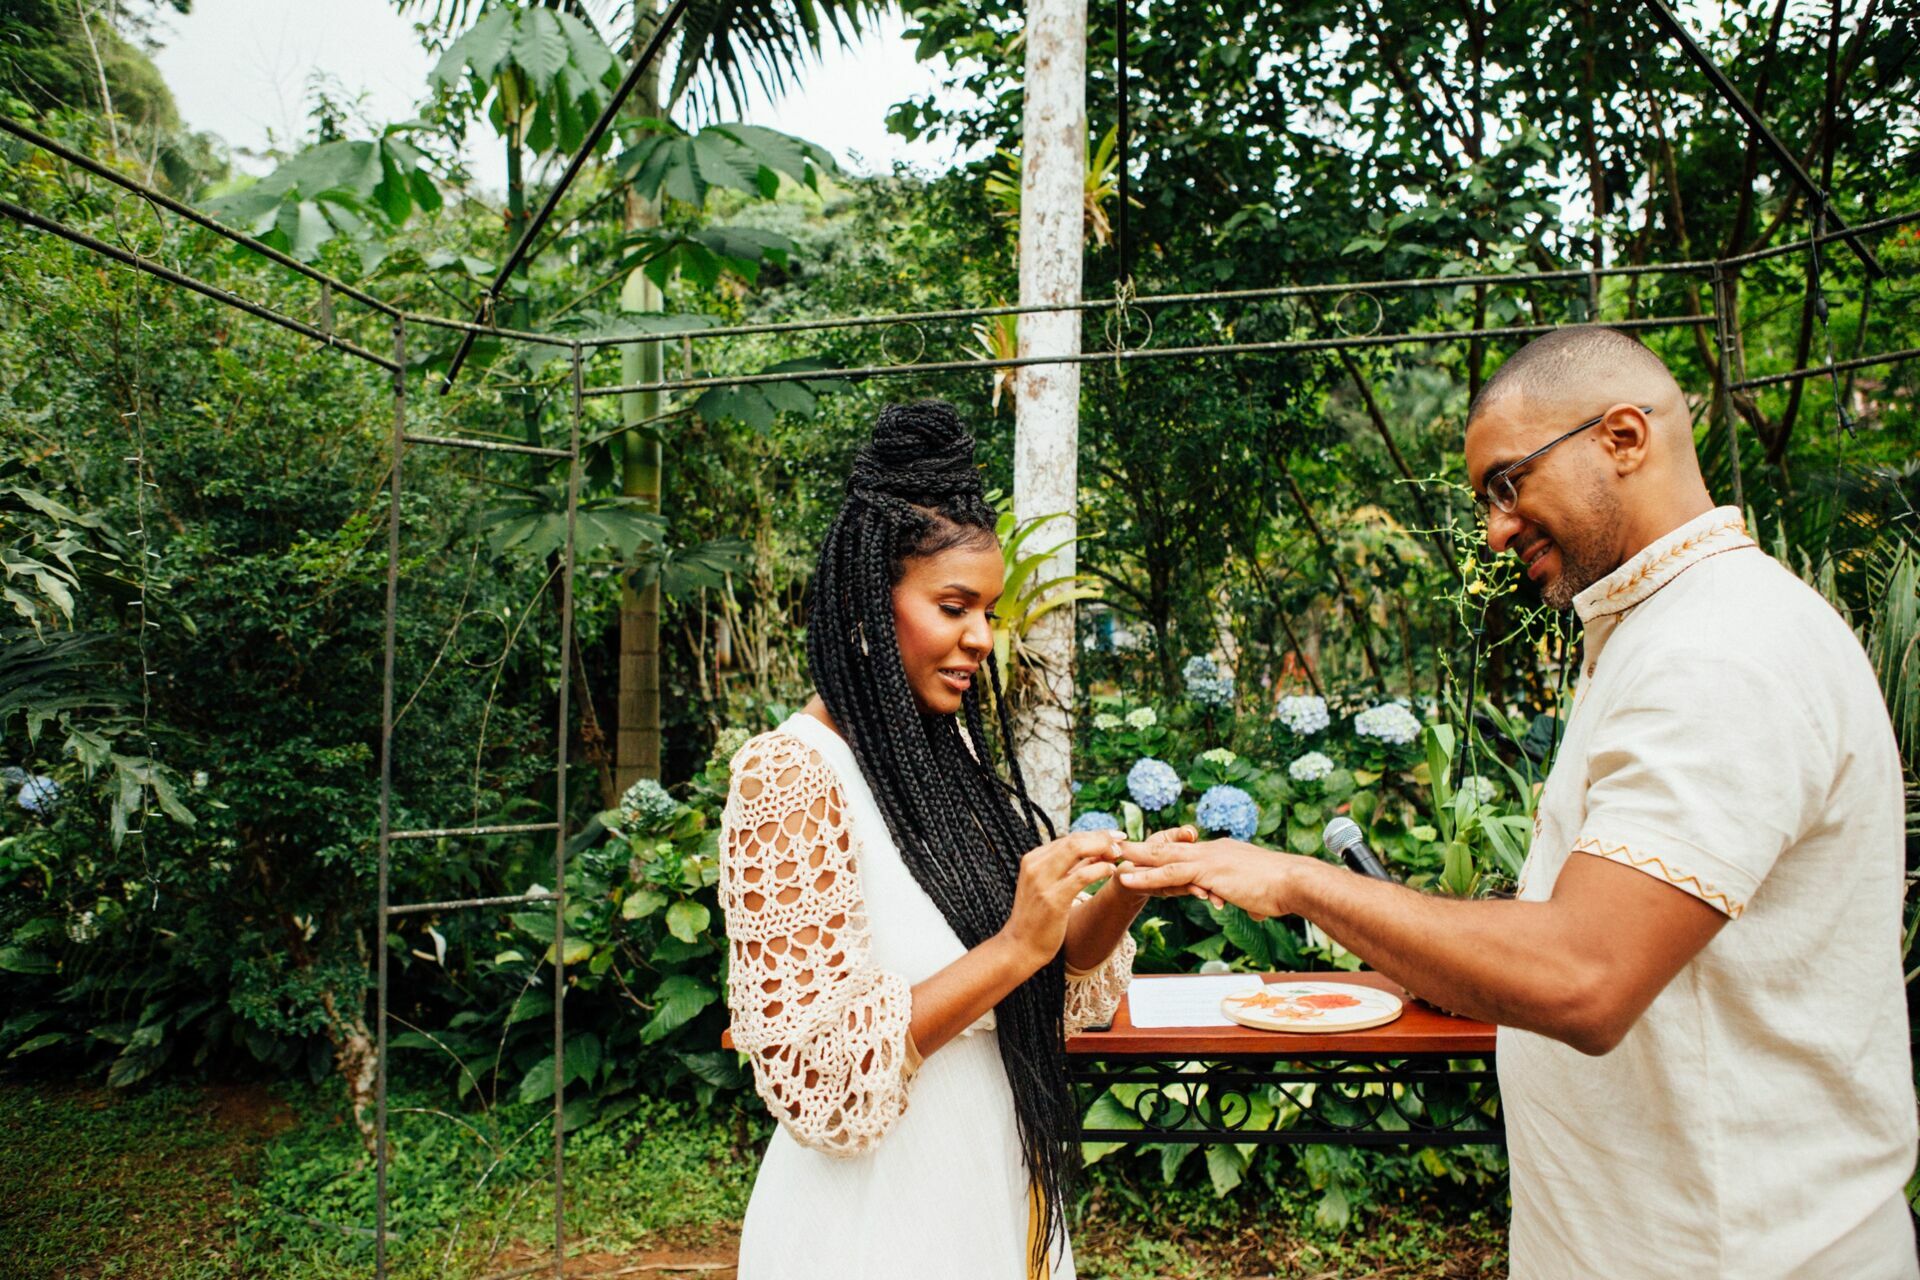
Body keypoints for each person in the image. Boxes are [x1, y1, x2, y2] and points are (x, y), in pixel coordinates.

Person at [1113, 326, 1918, 1277]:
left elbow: (1585, 976)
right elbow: (1584, 928)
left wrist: (1296, 881)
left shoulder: (1721, 649)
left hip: (1734, 1251)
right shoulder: (1663, 630)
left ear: (1623, 437)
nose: (1496, 528)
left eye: (1508, 482)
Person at [717, 401, 1178, 1280]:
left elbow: (1047, 984)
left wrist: (1122, 895)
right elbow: (816, 1079)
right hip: (876, 1222)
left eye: (989, 611)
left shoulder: (947, 752)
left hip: (990, 1191)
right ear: (868, 601)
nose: (980, 638)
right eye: (955, 605)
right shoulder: (789, 775)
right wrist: (1014, 945)